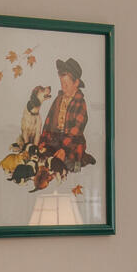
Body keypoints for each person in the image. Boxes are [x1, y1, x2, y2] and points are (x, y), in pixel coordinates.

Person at [25, 57, 94, 192]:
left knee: (68, 163)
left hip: (72, 142)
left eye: (66, 84)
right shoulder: (58, 99)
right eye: (61, 84)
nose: (63, 87)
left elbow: (76, 131)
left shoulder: (80, 103)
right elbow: (48, 122)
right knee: (41, 156)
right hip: (55, 140)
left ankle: (80, 161)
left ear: (76, 83)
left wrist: (64, 149)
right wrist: (43, 142)